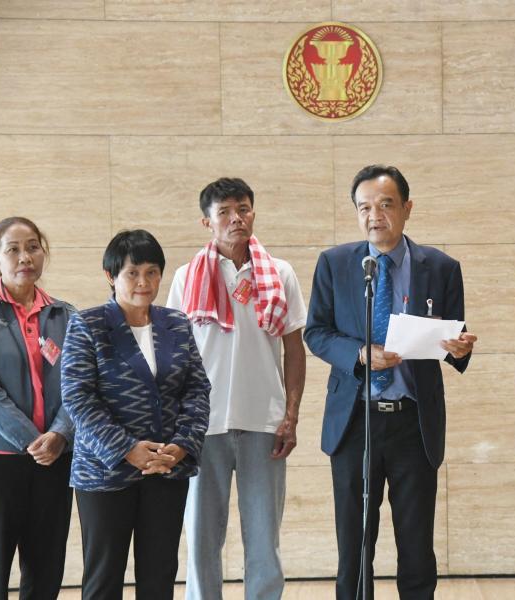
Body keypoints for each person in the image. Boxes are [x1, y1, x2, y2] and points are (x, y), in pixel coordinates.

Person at [305, 164, 477, 600]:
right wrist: (360, 354)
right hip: (354, 422)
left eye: (385, 205)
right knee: (355, 546)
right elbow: (317, 332)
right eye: (364, 207)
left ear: (407, 208)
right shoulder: (335, 264)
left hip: (412, 422)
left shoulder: (440, 267)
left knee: (416, 546)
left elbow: (454, 337)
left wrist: (459, 349)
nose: (374, 216)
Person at [167, 177, 307, 600]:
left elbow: (294, 350)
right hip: (201, 427)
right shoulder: (185, 276)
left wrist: (291, 416)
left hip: (264, 423)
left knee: (264, 538)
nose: (236, 219)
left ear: (253, 213)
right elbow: (173, 355)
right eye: (224, 212)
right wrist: (176, 424)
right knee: (202, 538)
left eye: (243, 209)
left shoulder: (280, 272)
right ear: (206, 222)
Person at [60, 230, 211, 600]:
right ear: (111, 276)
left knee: (160, 575)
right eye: (132, 273)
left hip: (166, 467)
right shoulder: (88, 324)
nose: (143, 282)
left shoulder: (176, 323)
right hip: (104, 472)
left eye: (152, 272)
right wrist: (127, 448)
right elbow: (78, 397)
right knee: (104, 577)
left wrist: (181, 446)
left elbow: (197, 389)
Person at [0, 217, 74, 600]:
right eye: (13, 249)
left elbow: (79, 386)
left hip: (54, 460)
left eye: (33, 247)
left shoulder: (65, 315)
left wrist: (59, 435)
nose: (25, 257)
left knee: (46, 569)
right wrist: (35, 440)